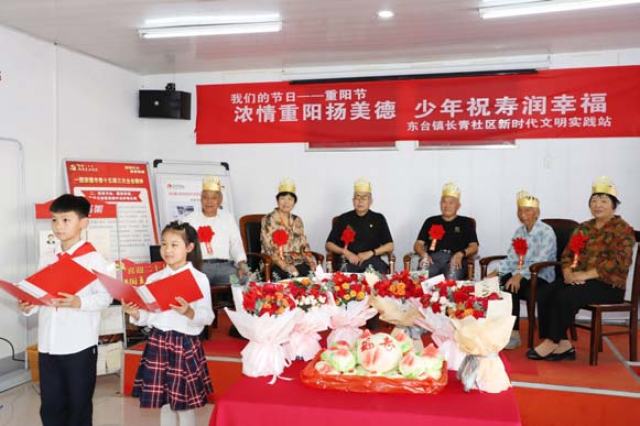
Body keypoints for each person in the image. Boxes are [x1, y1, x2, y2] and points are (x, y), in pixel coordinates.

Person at [18, 194, 113, 426]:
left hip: (78, 345)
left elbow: (106, 297)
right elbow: (39, 294)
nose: (58, 226)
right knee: (51, 406)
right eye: (54, 220)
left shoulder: (95, 259)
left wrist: (79, 302)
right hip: (48, 345)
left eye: (65, 220)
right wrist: (28, 305)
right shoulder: (47, 258)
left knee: (78, 407)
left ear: (83, 222)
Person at [527, 176, 635, 361]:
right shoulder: (584, 227)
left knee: (566, 296)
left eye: (603, 201)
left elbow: (619, 262)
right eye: (594, 201)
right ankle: (563, 344)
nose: (598, 205)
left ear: (614, 205)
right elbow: (567, 254)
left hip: (607, 285)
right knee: (546, 292)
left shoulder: (622, 230)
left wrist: (584, 275)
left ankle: (551, 342)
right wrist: (568, 273)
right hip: (579, 280)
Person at [124, 221, 214, 425]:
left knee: (183, 404)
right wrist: (136, 313)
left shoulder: (199, 278)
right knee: (164, 403)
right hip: (158, 342)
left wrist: (189, 311)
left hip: (184, 344)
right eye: (164, 244)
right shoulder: (154, 278)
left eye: (174, 245)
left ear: (189, 247)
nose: (167, 250)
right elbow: (150, 316)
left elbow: (208, 316)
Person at [488, 191, 557, 349]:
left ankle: (514, 333)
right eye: (520, 210)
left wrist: (519, 276)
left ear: (537, 212)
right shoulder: (519, 232)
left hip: (541, 276)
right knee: (497, 282)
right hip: (520, 273)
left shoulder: (546, 232)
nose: (523, 214)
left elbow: (541, 260)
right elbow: (512, 258)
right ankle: (499, 329)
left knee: (510, 286)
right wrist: (495, 273)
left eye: (528, 210)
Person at [181, 176, 247, 285]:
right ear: (201, 199)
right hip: (200, 268)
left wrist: (241, 264)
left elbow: (236, 243)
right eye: (205, 197)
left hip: (225, 268)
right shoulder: (189, 220)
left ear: (220, 201)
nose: (209, 202)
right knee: (192, 284)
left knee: (242, 280)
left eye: (213, 198)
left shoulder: (228, 218)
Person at [326, 178, 394, 273]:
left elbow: (390, 245)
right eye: (357, 198)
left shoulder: (378, 218)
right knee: (345, 276)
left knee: (378, 276)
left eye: (364, 198)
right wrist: (346, 252)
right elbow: (329, 244)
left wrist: (371, 253)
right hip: (348, 261)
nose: (360, 201)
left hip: (372, 260)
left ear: (370, 201)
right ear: (353, 201)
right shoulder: (343, 218)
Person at [413, 182, 479, 279]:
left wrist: (461, 254)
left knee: (450, 281)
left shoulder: (466, 222)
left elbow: (474, 246)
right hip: (432, 259)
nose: (447, 205)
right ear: (440, 204)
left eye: (451, 202)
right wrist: (423, 254)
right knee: (420, 278)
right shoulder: (431, 221)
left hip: (455, 259)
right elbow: (418, 244)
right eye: (444, 202)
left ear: (458, 205)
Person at [261, 178, 317, 279]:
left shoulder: (297, 220)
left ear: (294, 203)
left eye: (290, 199)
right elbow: (269, 249)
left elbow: (304, 245)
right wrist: (285, 266)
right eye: (282, 198)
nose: (286, 202)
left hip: (297, 261)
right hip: (275, 262)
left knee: (312, 277)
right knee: (289, 278)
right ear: (277, 200)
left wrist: (311, 261)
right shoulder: (268, 219)